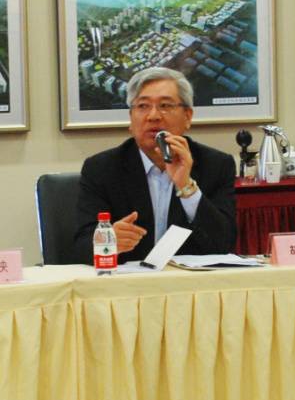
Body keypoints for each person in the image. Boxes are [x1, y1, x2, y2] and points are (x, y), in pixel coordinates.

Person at [72, 68, 236, 265]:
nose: (153, 116)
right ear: (131, 118)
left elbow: (223, 244)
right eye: (143, 106)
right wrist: (108, 241)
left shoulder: (216, 165)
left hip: (187, 281)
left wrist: (186, 186)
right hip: (127, 281)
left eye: (165, 105)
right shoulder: (101, 169)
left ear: (187, 117)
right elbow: (80, 246)